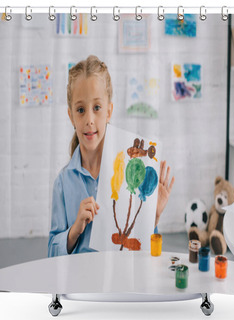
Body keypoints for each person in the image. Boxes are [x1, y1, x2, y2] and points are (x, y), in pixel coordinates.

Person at [48, 55, 175, 257]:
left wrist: (153, 217)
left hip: (121, 279)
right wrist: (74, 231)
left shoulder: (130, 173)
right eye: (81, 110)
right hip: (81, 283)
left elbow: (146, 255)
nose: (89, 119)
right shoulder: (63, 183)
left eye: (97, 108)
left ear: (109, 111)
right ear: (71, 116)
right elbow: (52, 255)